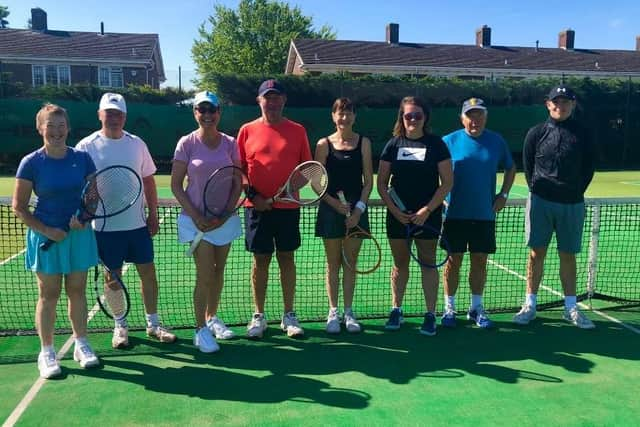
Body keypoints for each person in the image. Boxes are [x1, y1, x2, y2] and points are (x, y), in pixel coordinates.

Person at [76, 92, 177, 348]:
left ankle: (153, 324)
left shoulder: (137, 144)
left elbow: (149, 180)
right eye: (109, 113)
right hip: (105, 229)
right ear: (100, 115)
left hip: (137, 226)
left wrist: (153, 214)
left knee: (149, 275)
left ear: (125, 117)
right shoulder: (86, 146)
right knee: (113, 278)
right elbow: (79, 186)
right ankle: (120, 326)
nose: (114, 118)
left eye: (118, 114)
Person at [13, 104, 100, 378]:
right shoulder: (31, 163)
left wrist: (84, 218)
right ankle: (47, 351)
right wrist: (48, 231)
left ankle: (81, 344)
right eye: (50, 126)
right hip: (45, 237)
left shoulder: (83, 159)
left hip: (78, 236)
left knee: (77, 290)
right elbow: (19, 207)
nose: (56, 131)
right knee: (48, 294)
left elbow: (93, 196)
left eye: (61, 126)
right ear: (40, 128)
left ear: (68, 128)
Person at [514, 85, 596, 329]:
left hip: (572, 204)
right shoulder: (536, 132)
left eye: (565, 102)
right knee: (536, 253)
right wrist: (539, 190)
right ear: (548, 104)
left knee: (567, 256)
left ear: (573, 104)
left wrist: (573, 191)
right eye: (556, 102)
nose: (560, 106)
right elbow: (528, 166)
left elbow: (588, 168)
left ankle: (570, 308)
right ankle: (530, 305)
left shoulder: (583, 133)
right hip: (540, 202)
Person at [237, 79, 312, 339]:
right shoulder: (246, 130)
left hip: (288, 208)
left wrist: (288, 191)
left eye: (277, 97)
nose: (273, 101)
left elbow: (307, 170)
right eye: (268, 97)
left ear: (284, 100)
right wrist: (254, 196)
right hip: (255, 208)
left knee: (287, 259)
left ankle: (289, 315)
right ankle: (258, 315)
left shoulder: (298, 130)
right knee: (260, 260)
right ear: (259, 101)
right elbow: (240, 172)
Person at [171, 91, 241, 353]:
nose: (208, 115)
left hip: (224, 219)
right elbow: (177, 185)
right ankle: (200, 329)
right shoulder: (186, 144)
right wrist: (198, 216)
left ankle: (212, 318)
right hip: (195, 221)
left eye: (212, 110)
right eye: (202, 110)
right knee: (205, 273)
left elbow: (237, 181)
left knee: (219, 271)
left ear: (219, 113)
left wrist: (225, 213)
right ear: (195, 113)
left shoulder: (230, 143)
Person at [377, 96, 453, 336]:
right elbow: (381, 184)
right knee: (400, 264)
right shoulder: (392, 145)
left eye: (417, 115)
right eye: (408, 115)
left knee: (428, 263)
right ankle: (396, 309)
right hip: (398, 216)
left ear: (425, 118)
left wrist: (426, 210)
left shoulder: (436, 144)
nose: (412, 120)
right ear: (402, 117)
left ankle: (430, 314)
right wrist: (396, 211)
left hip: (426, 217)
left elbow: (447, 183)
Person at [440, 98, 516, 329]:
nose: (475, 120)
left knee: (480, 261)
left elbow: (511, 167)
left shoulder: (496, 141)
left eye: (479, 115)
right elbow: (434, 170)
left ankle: (476, 308)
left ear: (485, 117)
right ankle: (449, 308)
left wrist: (503, 194)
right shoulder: (448, 141)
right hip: (455, 214)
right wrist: (440, 196)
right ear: (462, 118)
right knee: (453, 262)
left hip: (484, 214)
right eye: (470, 115)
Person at [314, 97, 373, 334]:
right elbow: (317, 182)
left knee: (350, 263)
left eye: (349, 113)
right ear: (333, 116)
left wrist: (358, 210)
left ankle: (349, 312)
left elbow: (368, 182)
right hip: (331, 210)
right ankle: (333, 312)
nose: (344, 118)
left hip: (356, 211)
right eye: (340, 113)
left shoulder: (364, 143)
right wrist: (333, 204)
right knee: (333, 264)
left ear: (354, 116)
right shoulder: (323, 144)